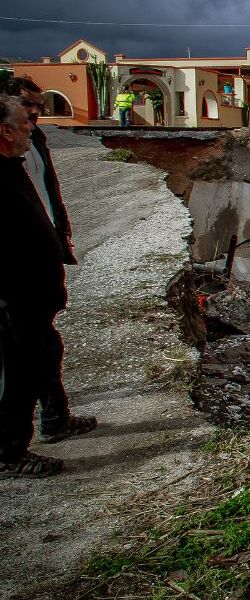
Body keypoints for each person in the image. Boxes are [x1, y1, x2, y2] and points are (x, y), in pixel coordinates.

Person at [6, 77, 96, 445]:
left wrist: (59, 230)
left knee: (45, 346)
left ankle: (56, 417)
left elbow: (46, 191)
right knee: (21, 360)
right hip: (15, 276)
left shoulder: (33, 142)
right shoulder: (5, 162)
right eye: (28, 106)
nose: (35, 116)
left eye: (40, 107)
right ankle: (11, 447)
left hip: (40, 263)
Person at [0, 95, 68, 478]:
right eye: (24, 121)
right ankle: (9, 452)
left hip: (34, 294)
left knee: (43, 356)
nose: (32, 126)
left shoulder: (13, 167)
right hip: (15, 297)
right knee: (17, 374)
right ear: (4, 131)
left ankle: (55, 420)